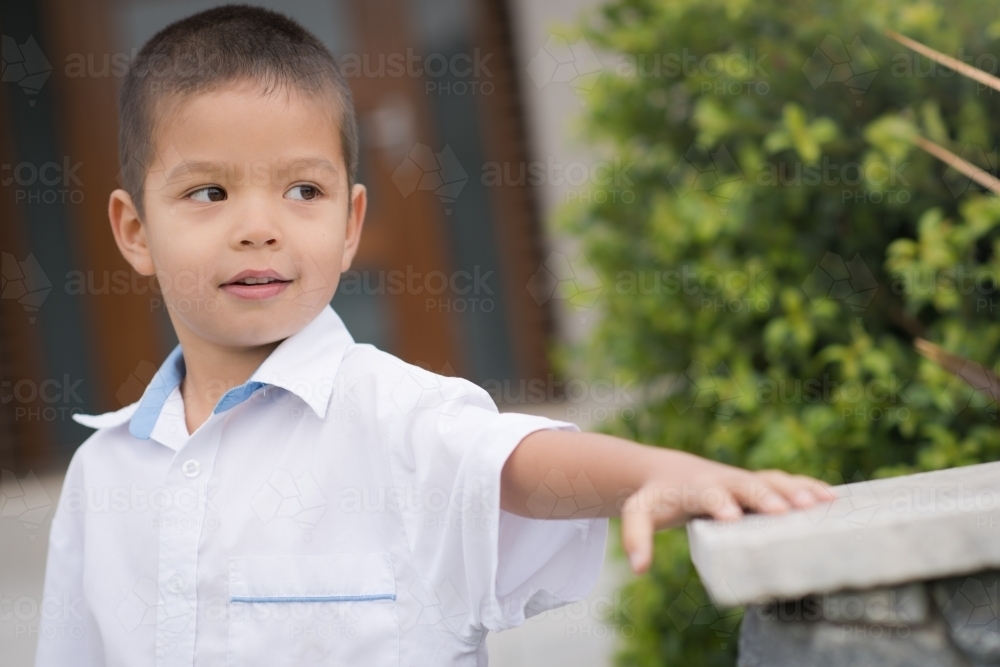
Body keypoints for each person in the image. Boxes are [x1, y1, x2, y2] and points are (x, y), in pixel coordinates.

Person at [34, 5, 835, 666]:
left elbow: (514, 464)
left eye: (302, 190)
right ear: (135, 231)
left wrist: (654, 472)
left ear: (350, 225)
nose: (258, 227)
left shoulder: (395, 416)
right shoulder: (103, 477)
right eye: (209, 191)